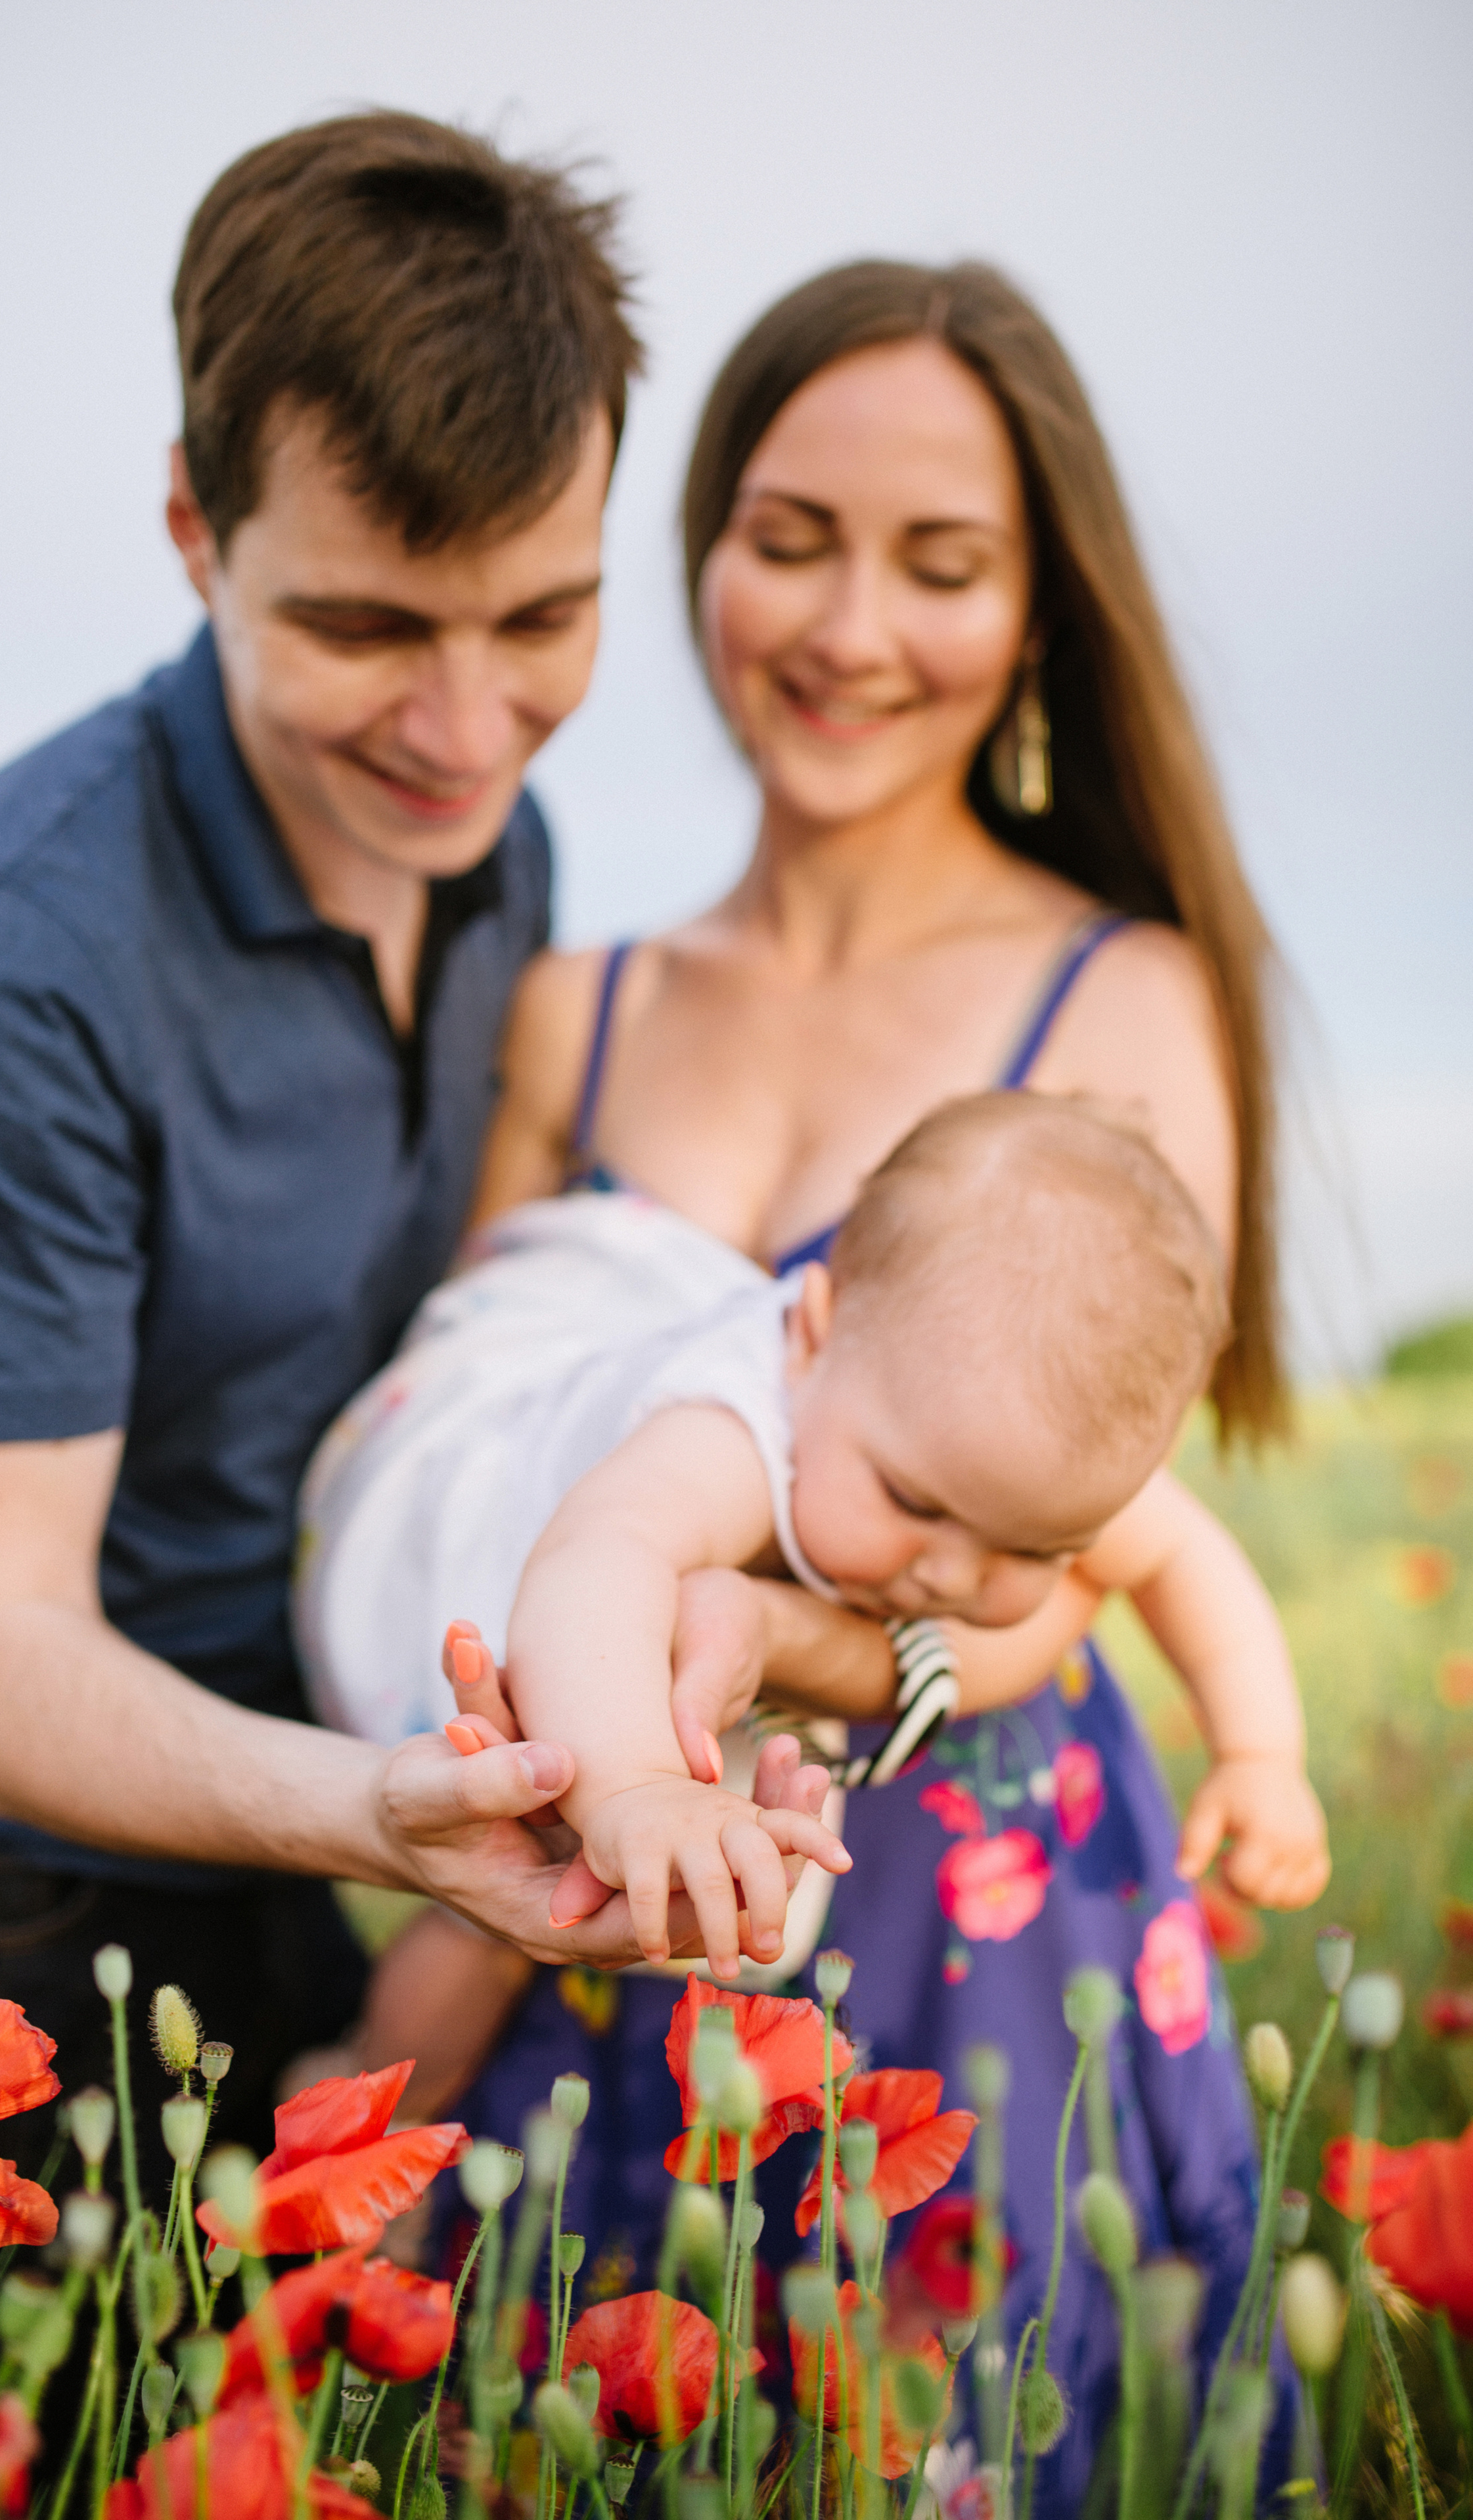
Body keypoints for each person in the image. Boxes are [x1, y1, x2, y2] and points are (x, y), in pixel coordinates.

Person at [0, 112, 821, 2490]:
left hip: (270, 1798)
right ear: (192, 528)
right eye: (366, 626)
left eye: (539, 621)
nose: (463, 727)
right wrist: (385, 1809)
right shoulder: (8, 954)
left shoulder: (497, 844)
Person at [336, 260, 1328, 2508]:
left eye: (942, 562)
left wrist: (766, 1629)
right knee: (619, 2422)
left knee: (962, 2431)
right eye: (790, 534)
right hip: (627, 1891)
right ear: (695, 540)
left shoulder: (1122, 985)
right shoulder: (570, 1003)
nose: (850, 623)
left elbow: (1070, 1569)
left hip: (975, 1898)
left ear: (1040, 611)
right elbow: (484, 1424)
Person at [298, 1093, 1323, 1992]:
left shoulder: (1004, 1442)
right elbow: (596, 1559)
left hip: (707, 1638)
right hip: (511, 1550)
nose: (954, 1575)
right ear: (815, 1334)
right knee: (524, 1886)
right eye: (912, 1501)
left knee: (687, 1905)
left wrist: (1261, 1753)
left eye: (1035, 1551)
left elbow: (1184, 1555)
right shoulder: (733, 1424)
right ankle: (372, 2081)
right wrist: (636, 1788)